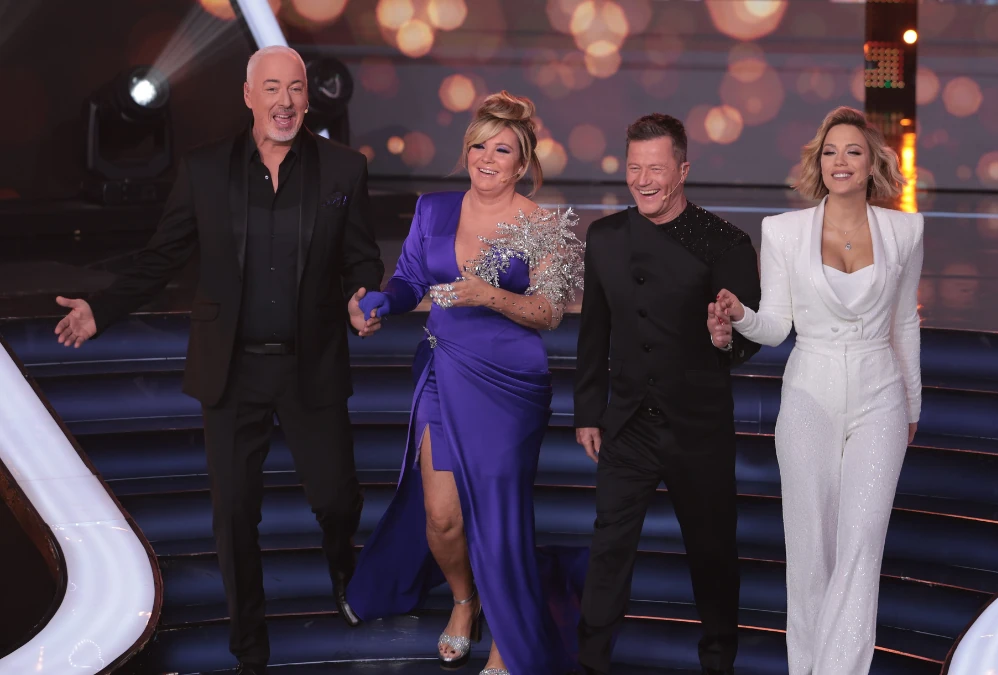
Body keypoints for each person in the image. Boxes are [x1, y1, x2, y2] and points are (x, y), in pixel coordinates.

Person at [52, 46, 384, 675]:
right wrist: (103, 308)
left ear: (307, 98)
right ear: (249, 96)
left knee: (338, 499)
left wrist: (360, 297)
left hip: (311, 364)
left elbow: (362, 258)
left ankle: (345, 566)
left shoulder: (345, 169)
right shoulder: (205, 170)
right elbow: (161, 257)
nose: (284, 101)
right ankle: (248, 650)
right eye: (271, 88)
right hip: (231, 369)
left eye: (295, 88)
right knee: (233, 517)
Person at [345, 91, 584, 675]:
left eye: (501, 149)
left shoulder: (542, 226)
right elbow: (409, 279)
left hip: (509, 385)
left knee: (498, 522)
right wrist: (380, 303)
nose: (486, 158)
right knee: (442, 517)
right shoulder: (433, 209)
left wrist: (488, 296)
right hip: (441, 369)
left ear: (522, 163)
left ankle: (509, 636)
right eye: (479, 146)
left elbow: (550, 312)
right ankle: (463, 599)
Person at [708, 106, 923, 675]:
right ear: (818, 162)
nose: (839, 161)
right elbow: (777, 327)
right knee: (809, 550)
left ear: (872, 162)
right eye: (830, 152)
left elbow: (904, 323)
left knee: (862, 542)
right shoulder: (783, 231)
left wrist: (912, 405)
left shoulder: (905, 230)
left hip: (881, 393)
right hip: (809, 393)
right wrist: (740, 315)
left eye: (852, 151)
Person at [573, 113, 761, 675]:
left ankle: (718, 662)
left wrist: (726, 336)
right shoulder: (605, 238)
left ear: (682, 170)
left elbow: (748, 337)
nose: (643, 180)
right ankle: (590, 663)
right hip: (628, 423)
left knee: (712, 552)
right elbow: (593, 332)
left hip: (697, 426)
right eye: (634, 168)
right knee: (608, 548)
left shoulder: (725, 242)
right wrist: (589, 411)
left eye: (655, 169)